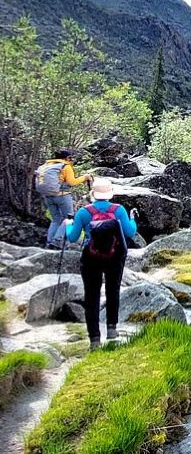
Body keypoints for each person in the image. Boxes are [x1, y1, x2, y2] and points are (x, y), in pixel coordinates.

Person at [64, 178, 137, 350]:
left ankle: (94, 340)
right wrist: (133, 219)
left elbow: (73, 238)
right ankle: (112, 330)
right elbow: (131, 232)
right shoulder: (118, 210)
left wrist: (68, 225)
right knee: (113, 291)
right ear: (110, 193)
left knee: (92, 296)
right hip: (115, 257)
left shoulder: (83, 212)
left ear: (93, 194)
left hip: (91, 257)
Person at [34, 149, 92, 248]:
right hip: (62, 196)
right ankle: (57, 241)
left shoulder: (46, 166)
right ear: (67, 158)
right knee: (68, 219)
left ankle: (49, 242)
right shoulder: (65, 166)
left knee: (56, 220)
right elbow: (71, 182)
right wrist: (85, 177)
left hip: (48, 196)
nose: (71, 160)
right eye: (71, 158)